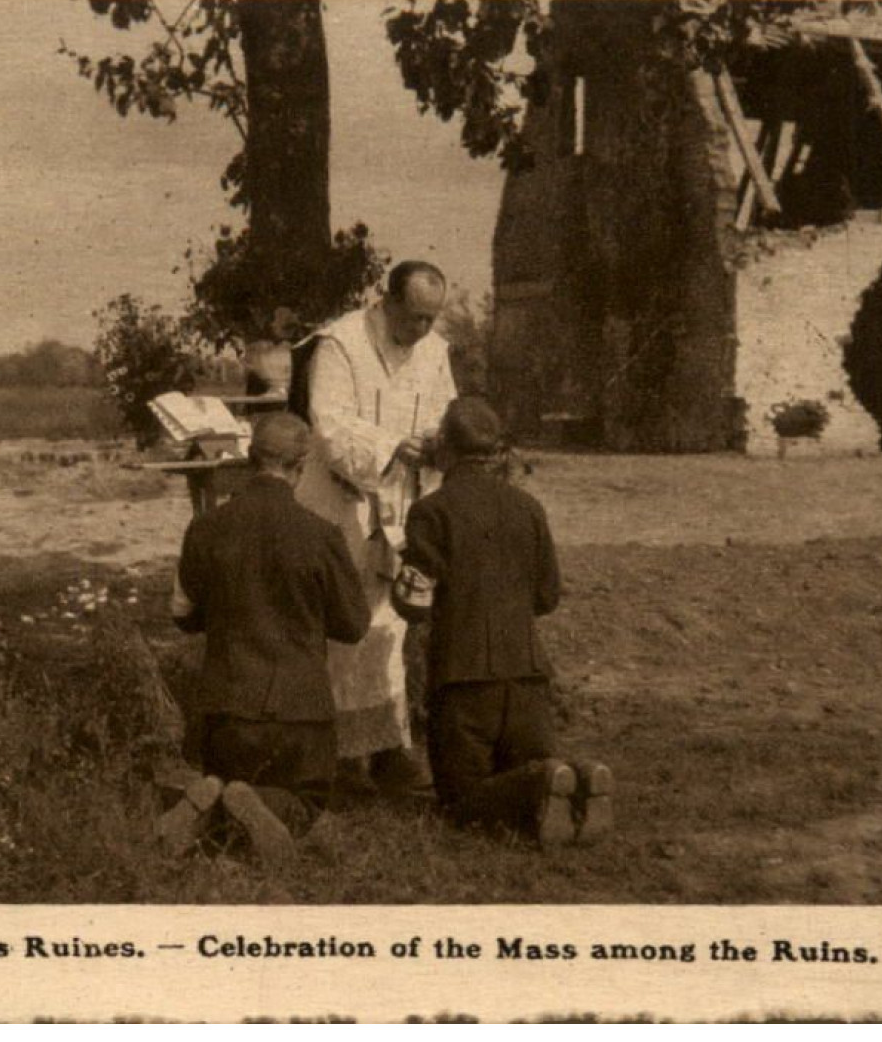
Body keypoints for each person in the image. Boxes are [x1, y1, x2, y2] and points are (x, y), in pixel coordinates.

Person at [393, 397, 613, 848]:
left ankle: (541, 781)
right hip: (529, 680)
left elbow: (415, 604)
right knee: (516, 773)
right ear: (493, 451)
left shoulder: (431, 512)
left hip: (464, 682)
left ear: (444, 448)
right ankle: (573, 778)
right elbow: (547, 596)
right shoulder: (528, 507)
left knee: (459, 801)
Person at [161, 412, 372, 864]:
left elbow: (182, 615)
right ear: (300, 466)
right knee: (309, 801)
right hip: (301, 716)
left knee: (228, 777)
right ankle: (252, 804)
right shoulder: (323, 535)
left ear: (249, 460)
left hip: (226, 715)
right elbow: (354, 624)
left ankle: (215, 797)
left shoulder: (205, 527)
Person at [293, 260, 457, 793]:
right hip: (345, 501)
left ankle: (389, 748)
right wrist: (390, 447)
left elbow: (445, 411)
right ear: (387, 302)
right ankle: (339, 754)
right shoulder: (340, 343)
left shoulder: (434, 350)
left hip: (404, 501)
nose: (422, 331)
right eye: (414, 318)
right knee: (344, 624)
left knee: (390, 627)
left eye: (431, 319)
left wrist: (437, 441)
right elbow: (330, 423)